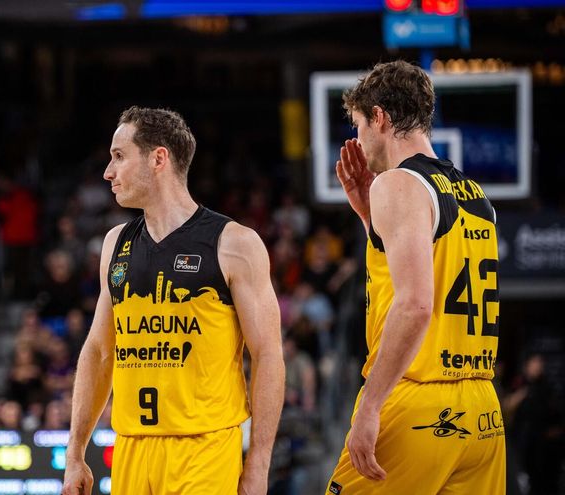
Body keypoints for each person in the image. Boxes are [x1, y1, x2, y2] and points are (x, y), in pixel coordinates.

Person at [63, 106, 285, 494]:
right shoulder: (116, 243)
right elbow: (99, 351)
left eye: (118, 157)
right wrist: (75, 453)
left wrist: (258, 464)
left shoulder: (234, 243)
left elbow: (267, 355)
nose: (107, 173)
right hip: (131, 448)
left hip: (205, 448)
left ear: (158, 158)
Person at [326, 60, 504, 493]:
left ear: (380, 118)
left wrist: (369, 405)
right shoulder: (476, 195)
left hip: (419, 403)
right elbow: (436, 278)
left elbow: (417, 304)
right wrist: (369, 215)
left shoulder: (398, 184)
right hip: (482, 411)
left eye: (359, 124)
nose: (358, 138)